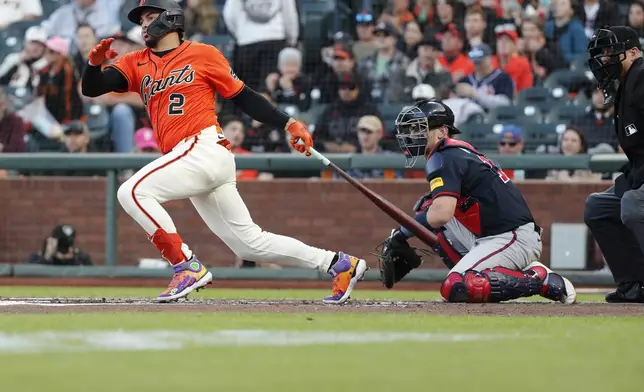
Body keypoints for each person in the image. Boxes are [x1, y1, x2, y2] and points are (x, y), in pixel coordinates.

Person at [79, 0, 367, 304]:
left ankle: (185, 266)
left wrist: (289, 122)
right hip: (194, 157)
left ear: (172, 18)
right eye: (142, 19)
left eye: (151, 16)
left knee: (131, 192)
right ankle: (339, 264)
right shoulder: (136, 61)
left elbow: (244, 97)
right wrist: (93, 64)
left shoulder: (202, 53)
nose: (145, 24)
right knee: (250, 245)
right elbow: (92, 88)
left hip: (201, 147)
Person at [375, 99, 577, 304]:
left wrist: (402, 233)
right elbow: (439, 213)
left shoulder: (444, 156)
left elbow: (440, 215)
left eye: (420, 128)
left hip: (512, 236)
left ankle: (537, 278)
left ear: (442, 131)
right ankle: (497, 270)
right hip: (492, 235)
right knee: (427, 206)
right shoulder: (452, 153)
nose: (412, 135)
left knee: (456, 286)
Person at [584, 25, 644, 303]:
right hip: (639, 172)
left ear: (634, 51)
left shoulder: (641, 75)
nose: (605, 59)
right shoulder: (627, 82)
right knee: (598, 207)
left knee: (633, 205)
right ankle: (634, 283)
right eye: (602, 53)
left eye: (611, 52)